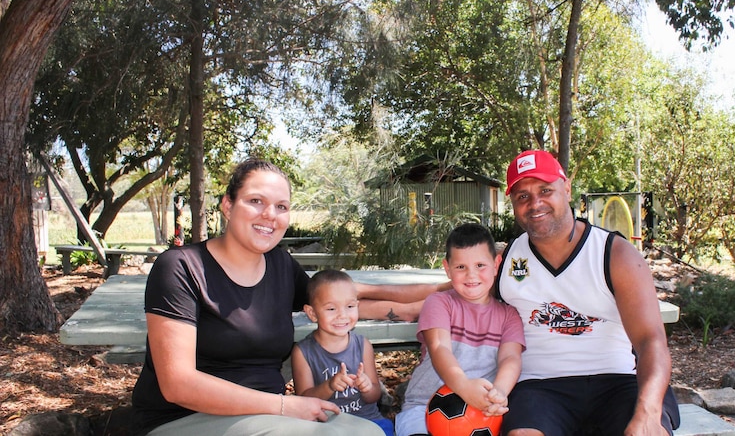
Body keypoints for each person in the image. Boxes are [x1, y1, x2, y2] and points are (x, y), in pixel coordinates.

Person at [131, 158, 384, 436]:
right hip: (186, 418)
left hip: (269, 416)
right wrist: (285, 406)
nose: (269, 215)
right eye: (255, 201)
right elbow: (178, 384)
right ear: (228, 205)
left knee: (368, 432)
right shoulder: (181, 267)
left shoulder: (281, 267)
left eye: (281, 207)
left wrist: (428, 295)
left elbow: (335, 302)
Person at [496, 150, 679, 436]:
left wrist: (648, 411)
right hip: (540, 386)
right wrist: (400, 300)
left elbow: (650, 340)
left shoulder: (616, 254)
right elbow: (457, 288)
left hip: (619, 381)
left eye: (545, 190)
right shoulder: (507, 259)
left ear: (566, 188)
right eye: (523, 196)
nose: (535, 203)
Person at [395, 223, 525, 436]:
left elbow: (510, 358)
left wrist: (499, 392)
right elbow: (439, 349)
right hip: (425, 405)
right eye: (461, 267)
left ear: (496, 264)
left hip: (482, 412)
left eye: (480, 265)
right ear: (447, 268)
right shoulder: (439, 303)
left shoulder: (509, 314)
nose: (471, 275)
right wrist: (463, 386)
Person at [291, 270, 394, 436]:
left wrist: (367, 387)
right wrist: (329, 386)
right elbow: (304, 401)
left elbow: (374, 396)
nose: (343, 315)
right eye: (331, 308)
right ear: (312, 313)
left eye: (350, 306)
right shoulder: (304, 352)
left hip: (368, 420)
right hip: (327, 426)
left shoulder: (362, 345)